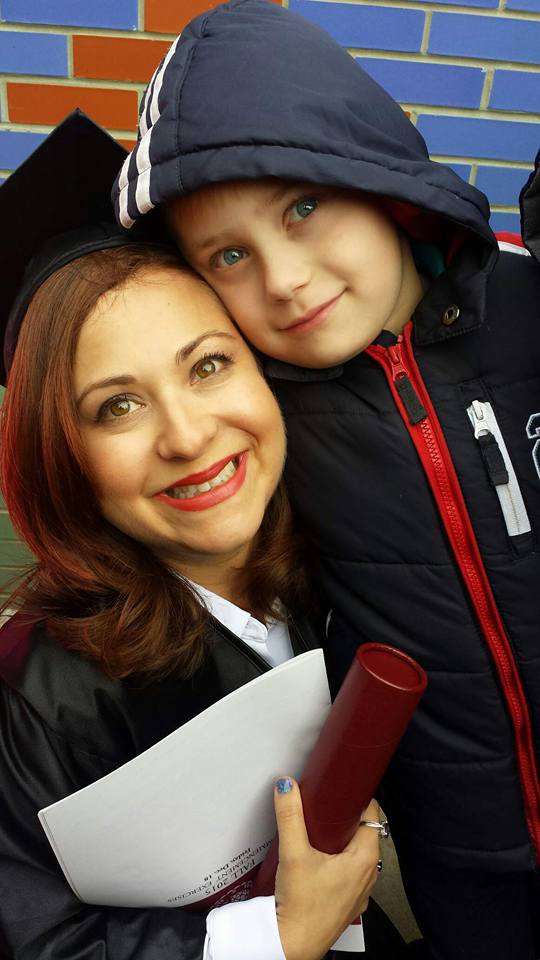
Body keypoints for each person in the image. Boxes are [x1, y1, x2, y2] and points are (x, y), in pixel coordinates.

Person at [112, 2, 540, 958]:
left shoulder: (525, 304)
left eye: (302, 207)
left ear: (377, 176)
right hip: (457, 853)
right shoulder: (260, 421)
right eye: (230, 255)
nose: (288, 279)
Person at [0, 111, 385, 960]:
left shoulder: (346, 569)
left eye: (208, 364)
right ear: (63, 458)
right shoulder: (39, 689)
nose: (186, 435)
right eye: (117, 406)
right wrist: (277, 939)